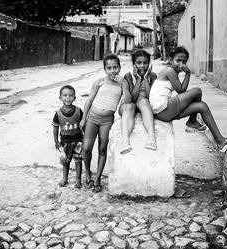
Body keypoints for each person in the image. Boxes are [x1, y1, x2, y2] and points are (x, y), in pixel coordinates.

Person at [149, 46, 227, 152]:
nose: (181, 64)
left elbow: (182, 91)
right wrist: (188, 73)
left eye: (184, 61)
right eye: (178, 60)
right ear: (170, 60)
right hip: (162, 111)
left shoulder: (173, 71)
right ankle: (192, 121)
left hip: (164, 111)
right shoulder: (169, 71)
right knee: (197, 91)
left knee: (202, 106)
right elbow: (181, 90)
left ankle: (220, 141)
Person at [80, 53, 132, 192]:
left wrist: (123, 85)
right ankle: (88, 174)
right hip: (92, 118)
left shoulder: (123, 83)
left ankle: (97, 179)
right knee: (86, 148)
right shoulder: (100, 82)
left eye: (115, 67)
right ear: (105, 69)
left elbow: (127, 100)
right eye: (109, 68)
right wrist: (83, 118)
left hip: (107, 120)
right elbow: (89, 100)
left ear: (120, 68)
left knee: (102, 148)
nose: (112, 70)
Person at [119, 49, 158, 154]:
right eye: (139, 63)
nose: (142, 66)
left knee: (144, 101)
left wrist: (145, 79)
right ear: (134, 64)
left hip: (143, 102)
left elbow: (151, 97)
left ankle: (151, 138)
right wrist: (138, 79)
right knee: (129, 106)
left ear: (149, 64)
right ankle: (124, 142)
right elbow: (132, 98)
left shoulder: (153, 76)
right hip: (130, 102)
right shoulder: (129, 75)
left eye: (145, 63)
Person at [52, 85, 84, 188]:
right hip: (64, 141)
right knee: (65, 162)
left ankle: (78, 180)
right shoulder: (58, 114)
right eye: (65, 95)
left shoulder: (79, 111)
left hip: (78, 141)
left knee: (78, 161)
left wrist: (85, 138)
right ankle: (65, 179)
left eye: (70, 95)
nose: (67, 97)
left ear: (74, 98)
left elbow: (83, 125)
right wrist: (56, 141)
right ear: (60, 98)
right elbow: (55, 128)